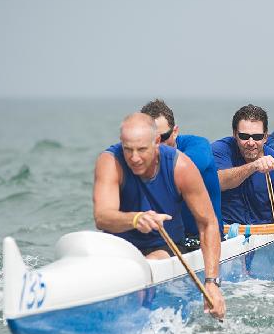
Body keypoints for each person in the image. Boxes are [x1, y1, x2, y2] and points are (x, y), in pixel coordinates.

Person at [93, 113, 225, 318]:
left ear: (156, 142)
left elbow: (207, 223)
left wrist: (211, 283)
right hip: (120, 247)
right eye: (128, 149)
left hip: (164, 246)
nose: (134, 158)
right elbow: (102, 217)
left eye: (142, 150)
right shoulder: (110, 161)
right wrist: (136, 219)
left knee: (148, 266)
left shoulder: (180, 167)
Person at [211, 104, 274, 282]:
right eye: (244, 136)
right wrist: (253, 167)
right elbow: (219, 181)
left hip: (261, 238)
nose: (251, 142)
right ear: (235, 134)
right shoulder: (219, 150)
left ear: (266, 137)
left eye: (257, 137)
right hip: (226, 234)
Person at [140, 99, 223, 250]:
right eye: (150, 140)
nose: (157, 145)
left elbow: (190, 166)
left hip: (202, 237)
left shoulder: (198, 145)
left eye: (162, 138)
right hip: (165, 239)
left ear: (175, 131)